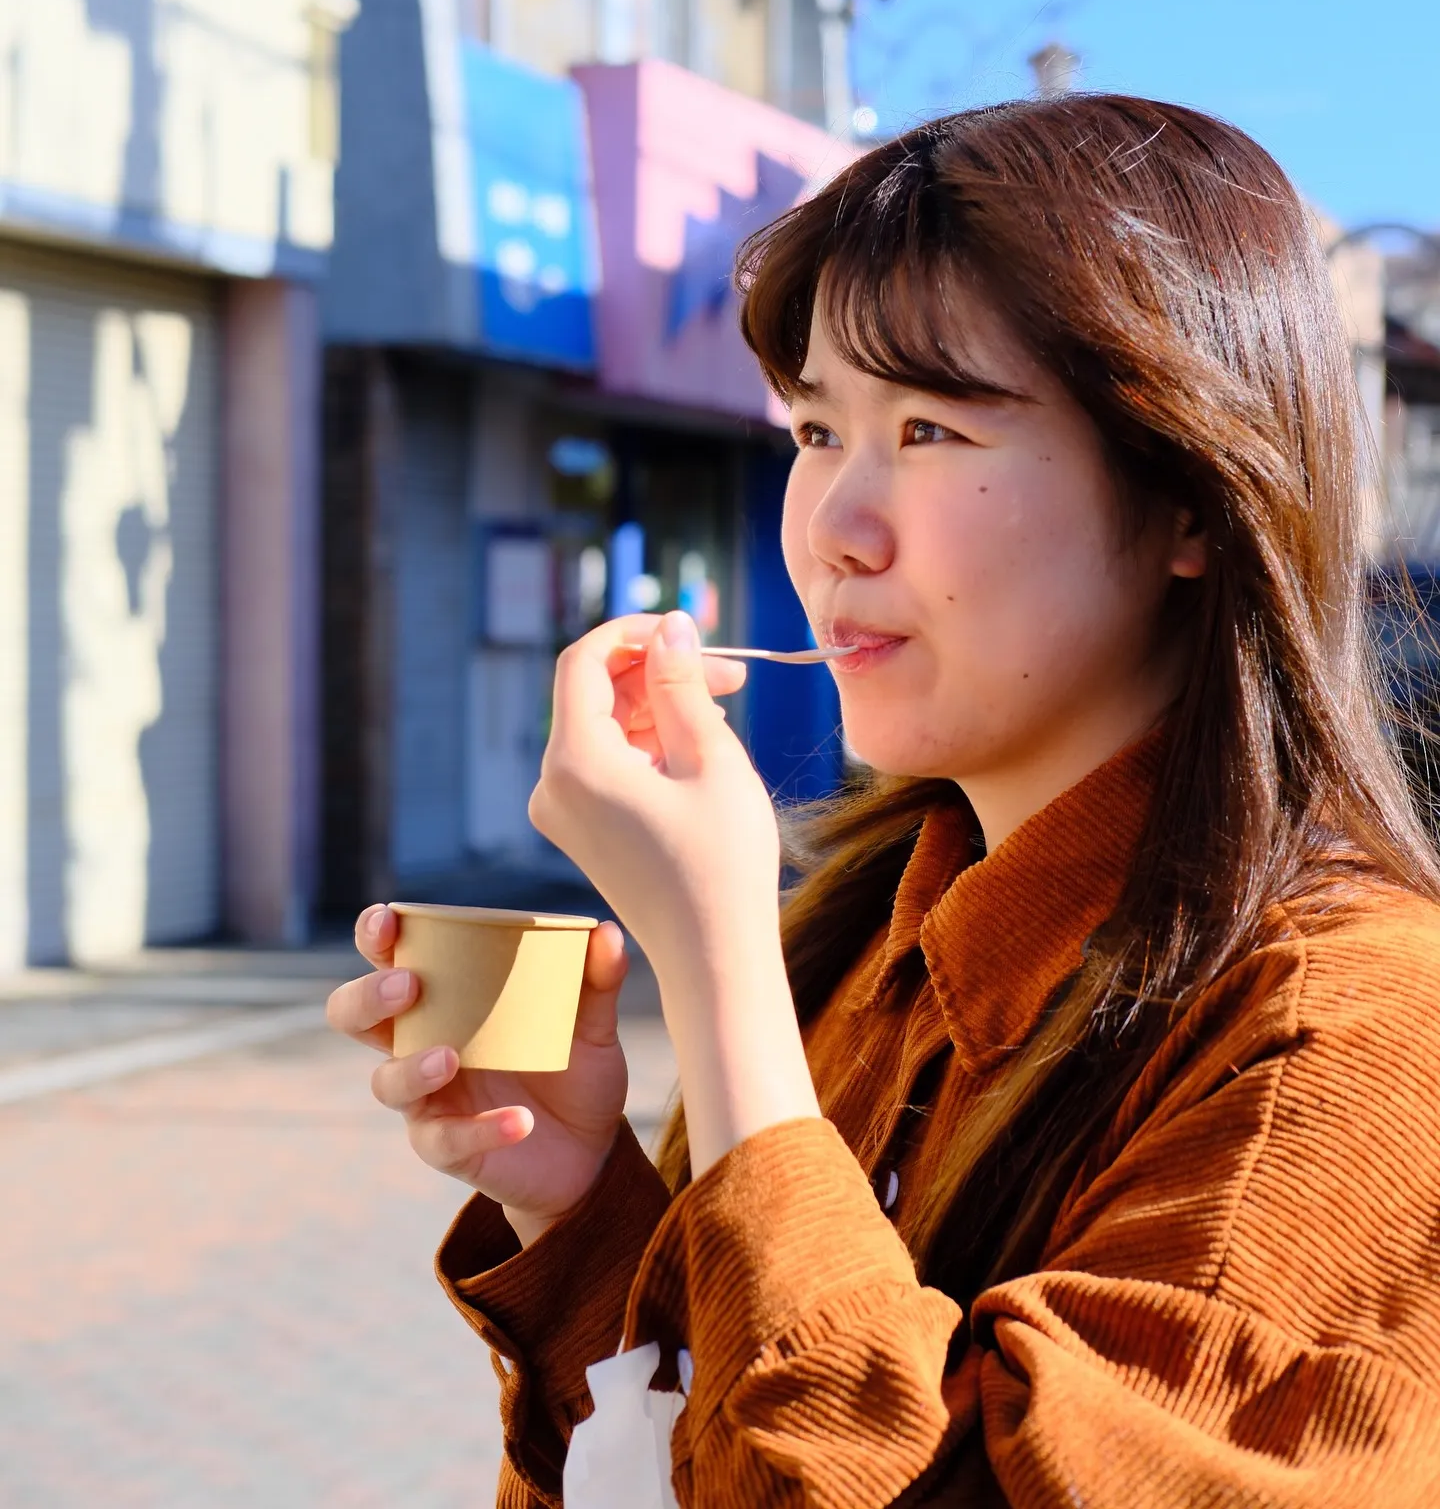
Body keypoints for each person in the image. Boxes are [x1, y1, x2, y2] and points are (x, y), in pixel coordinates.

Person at [327, 95, 1440, 1506]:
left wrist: (716, 966)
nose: (835, 533)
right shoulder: (870, 942)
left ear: (1191, 503)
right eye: (812, 430)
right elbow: (699, 1462)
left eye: (927, 430)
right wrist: (583, 1206)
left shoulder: (1356, 1033)